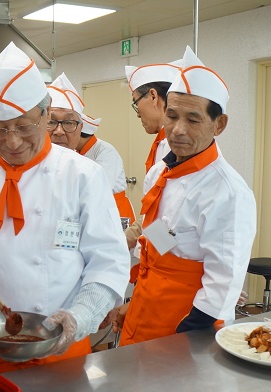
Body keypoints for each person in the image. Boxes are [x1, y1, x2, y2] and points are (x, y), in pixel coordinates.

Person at [0, 42, 130, 373]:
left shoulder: (83, 175)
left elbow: (109, 264)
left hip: (64, 350)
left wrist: (81, 316)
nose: (13, 142)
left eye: (24, 126)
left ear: (45, 115)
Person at [111, 47, 256, 345]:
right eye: (172, 115)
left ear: (219, 124)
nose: (177, 130)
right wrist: (136, 302)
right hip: (146, 309)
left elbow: (222, 284)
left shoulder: (228, 192)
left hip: (185, 325)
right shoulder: (159, 174)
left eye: (193, 119)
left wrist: (187, 341)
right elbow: (165, 244)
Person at [47, 73, 135, 224]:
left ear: (79, 129)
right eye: (51, 122)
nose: (59, 131)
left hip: (111, 212)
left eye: (69, 124)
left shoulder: (103, 154)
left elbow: (100, 190)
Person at [123, 56, 182, 248]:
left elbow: (166, 214)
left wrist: (138, 240)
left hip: (170, 253)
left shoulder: (175, 148)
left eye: (136, 103)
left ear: (153, 96)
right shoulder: (162, 143)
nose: (138, 113)